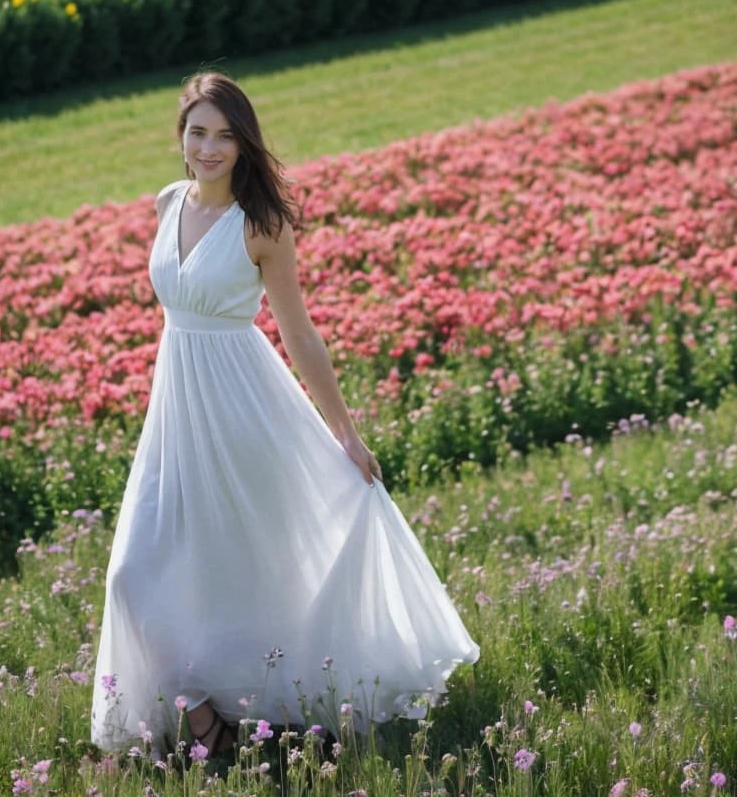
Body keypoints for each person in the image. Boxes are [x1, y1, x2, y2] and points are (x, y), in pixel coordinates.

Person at [90, 71, 479, 758]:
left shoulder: (261, 225)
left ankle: (252, 719)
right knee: (134, 577)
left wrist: (345, 433)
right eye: (197, 132)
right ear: (179, 137)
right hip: (176, 411)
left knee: (249, 572)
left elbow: (298, 333)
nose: (209, 148)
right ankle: (208, 718)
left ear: (244, 145)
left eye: (224, 136)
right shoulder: (166, 203)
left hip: (243, 409)